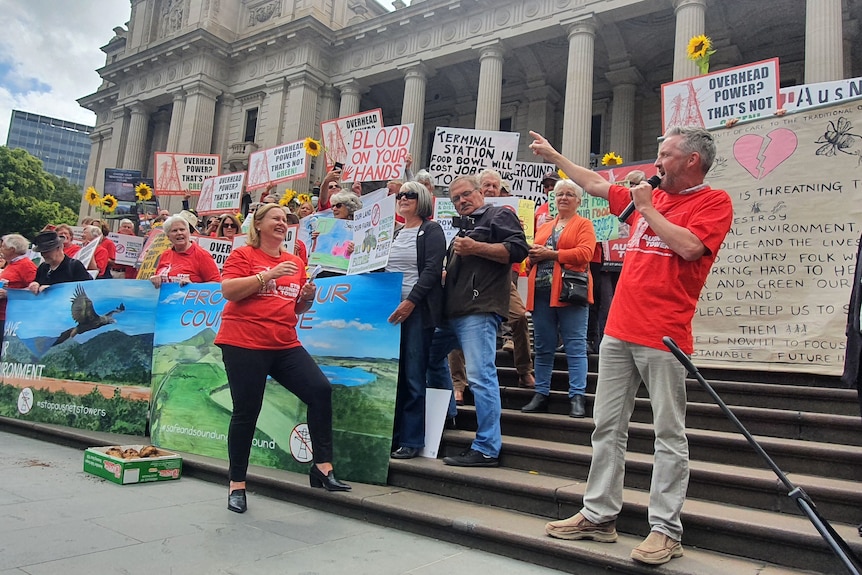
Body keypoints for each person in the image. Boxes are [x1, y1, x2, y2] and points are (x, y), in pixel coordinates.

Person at [529, 127, 733, 566]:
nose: (656, 163)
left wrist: (647, 209)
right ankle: (600, 515)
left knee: (668, 434)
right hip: (619, 330)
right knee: (606, 426)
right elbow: (595, 183)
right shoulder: (647, 196)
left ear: (692, 160)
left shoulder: (713, 202)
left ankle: (665, 530)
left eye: (665, 155)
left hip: (665, 334)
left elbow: (690, 247)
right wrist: (554, 155)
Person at [215, 204, 350, 514]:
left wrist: (306, 299)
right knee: (247, 412)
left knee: (320, 390)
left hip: (284, 343)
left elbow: (294, 308)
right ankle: (237, 484)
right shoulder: (243, 255)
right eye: (275, 218)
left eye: (286, 220)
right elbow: (229, 291)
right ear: (259, 224)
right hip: (243, 343)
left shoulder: (295, 261)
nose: (282, 222)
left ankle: (323, 467)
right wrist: (268, 275)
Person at [425, 174, 529, 467]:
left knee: (481, 376)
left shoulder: (499, 215)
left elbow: (520, 250)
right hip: (452, 312)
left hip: (479, 310)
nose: (462, 201)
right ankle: (446, 415)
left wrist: (476, 248)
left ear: (480, 193)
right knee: (430, 359)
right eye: (456, 199)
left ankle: (486, 447)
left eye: (466, 195)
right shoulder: (462, 229)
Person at [522, 180, 595, 418]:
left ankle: (577, 396)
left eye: (569, 194)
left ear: (578, 201)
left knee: (575, 346)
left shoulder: (584, 224)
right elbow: (530, 261)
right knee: (542, 347)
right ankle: (541, 393)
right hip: (542, 295)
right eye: (559, 194)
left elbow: (585, 254)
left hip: (570, 293)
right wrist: (532, 256)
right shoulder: (543, 227)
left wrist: (551, 254)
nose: (563, 198)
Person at [386, 182, 446, 459]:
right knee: (392, 376)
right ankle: (392, 435)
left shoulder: (431, 231)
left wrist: (411, 302)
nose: (403, 199)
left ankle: (411, 439)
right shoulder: (394, 233)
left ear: (421, 200)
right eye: (400, 195)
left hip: (417, 310)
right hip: (389, 312)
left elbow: (433, 270)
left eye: (409, 195)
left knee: (412, 375)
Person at [478, 168, 535, 389]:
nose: (491, 189)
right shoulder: (470, 211)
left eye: (495, 186)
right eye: (487, 185)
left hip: (501, 277)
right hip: (473, 280)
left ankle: (524, 370)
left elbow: (518, 246)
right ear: (479, 189)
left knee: (519, 316)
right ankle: (459, 383)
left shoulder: (507, 213)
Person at [150, 215, 221, 288]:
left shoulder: (201, 255)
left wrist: (193, 286)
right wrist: (155, 279)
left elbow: (216, 284)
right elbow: (158, 277)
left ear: (189, 233)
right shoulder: (165, 255)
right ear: (168, 236)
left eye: (182, 229)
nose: (179, 233)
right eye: (174, 230)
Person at [0, 234, 38, 347]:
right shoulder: (12, 264)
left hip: (10, 317)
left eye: (3, 247)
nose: (1, 249)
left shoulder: (26, 265)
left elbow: (34, 289)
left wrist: (9, 293)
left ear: (12, 249)